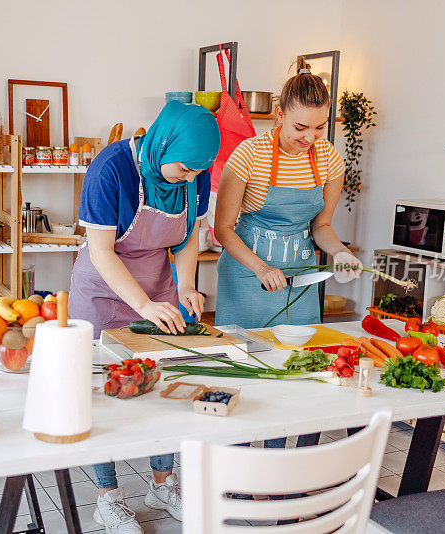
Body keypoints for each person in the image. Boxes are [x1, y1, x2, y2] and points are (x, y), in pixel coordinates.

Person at [69, 100, 220, 533]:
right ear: (162, 143)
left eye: (197, 172)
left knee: (162, 383)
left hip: (157, 287)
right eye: (185, 170)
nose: (191, 178)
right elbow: (100, 250)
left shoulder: (196, 168)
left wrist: (187, 286)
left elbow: (188, 235)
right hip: (102, 288)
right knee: (101, 391)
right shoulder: (111, 167)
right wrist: (144, 306)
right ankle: (108, 498)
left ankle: (161, 483)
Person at [214, 62, 361, 449]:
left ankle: (281, 467)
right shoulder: (249, 154)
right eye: (300, 127)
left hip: (299, 277)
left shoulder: (329, 159)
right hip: (249, 275)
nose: (310, 137)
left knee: (296, 373)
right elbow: (223, 230)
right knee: (245, 375)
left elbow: (321, 227)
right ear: (279, 114)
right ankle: (239, 470)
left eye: (318, 128)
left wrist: (341, 252)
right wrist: (261, 267)